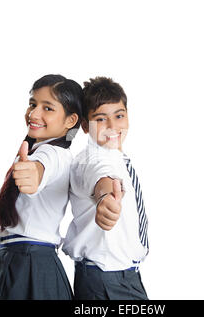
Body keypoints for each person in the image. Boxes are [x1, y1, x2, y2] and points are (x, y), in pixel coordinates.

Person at [0, 74, 83, 300]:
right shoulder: (36, 150)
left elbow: (41, 170)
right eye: (32, 104)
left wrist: (33, 175)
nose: (34, 114)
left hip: (30, 264)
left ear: (70, 121)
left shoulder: (54, 153)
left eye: (48, 108)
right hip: (14, 259)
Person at [63, 77, 149, 300]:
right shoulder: (91, 159)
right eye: (101, 119)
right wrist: (105, 198)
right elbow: (102, 176)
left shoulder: (117, 158)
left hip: (121, 276)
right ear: (85, 125)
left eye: (119, 115)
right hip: (106, 280)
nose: (112, 126)